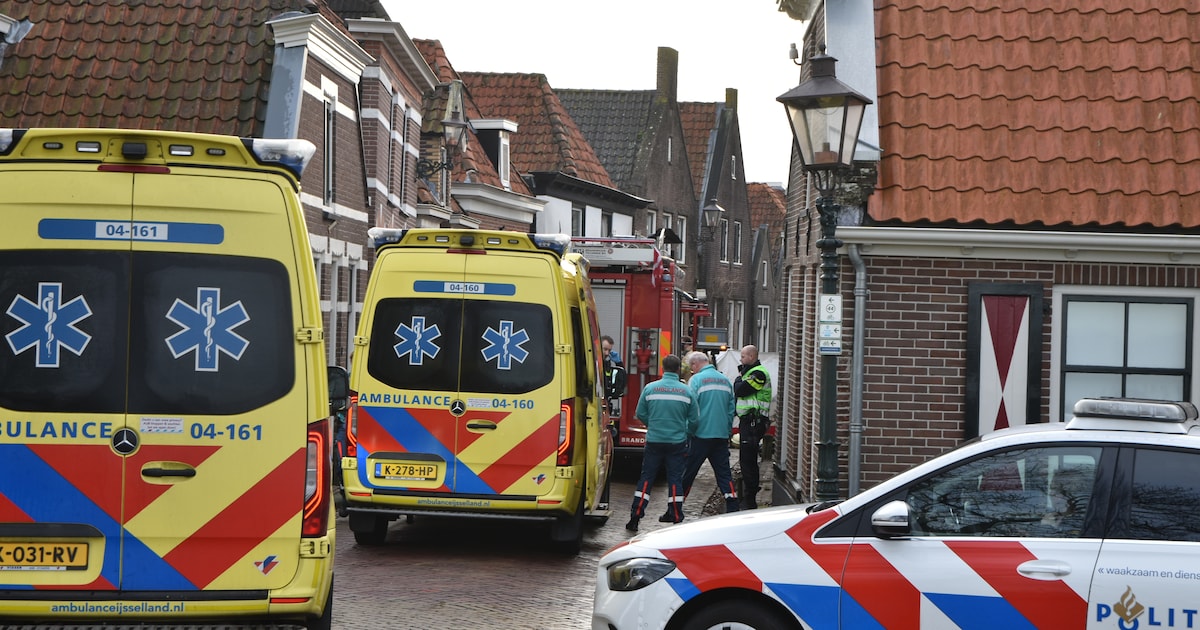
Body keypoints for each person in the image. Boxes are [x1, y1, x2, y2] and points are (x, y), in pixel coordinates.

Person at [663, 351, 738, 520]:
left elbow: (690, 409)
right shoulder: (725, 381)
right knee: (724, 475)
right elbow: (730, 410)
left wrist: (688, 431)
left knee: (687, 474)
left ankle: (674, 510)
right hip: (720, 436)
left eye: (692, 367)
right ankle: (733, 508)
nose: (692, 370)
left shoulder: (696, 380)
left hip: (700, 436)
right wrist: (726, 431)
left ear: (695, 364)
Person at [627, 354, 698, 531]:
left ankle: (636, 515)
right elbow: (695, 420)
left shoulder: (650, 388)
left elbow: (640, 413)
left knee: (647, 478)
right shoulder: (687, 391)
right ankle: (676, 515)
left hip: (654, 441)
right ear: (678, 370)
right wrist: (685, 432)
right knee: (675, 478)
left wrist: (652, 425)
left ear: (663, 369)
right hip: (677, 442)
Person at [734, 344, 772, 509]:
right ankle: (748, 496)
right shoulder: (750, 373)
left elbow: (740, 390)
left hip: (754, 421)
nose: (741, 359)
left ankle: (750, 498)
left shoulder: (758, 374)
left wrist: (739, 378)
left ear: (751, 357)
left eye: (743, 356)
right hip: (749, 421)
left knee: (748, 460)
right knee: (746, 459)